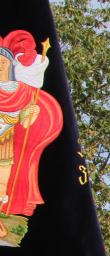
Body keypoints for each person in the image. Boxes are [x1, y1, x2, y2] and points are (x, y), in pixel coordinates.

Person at [0, 31, 62, 217]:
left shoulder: (21, 92)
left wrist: (31, 114)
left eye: (2, 62)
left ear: (10, 65)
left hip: (6, 143)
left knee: (3, 184)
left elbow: (25, 125)